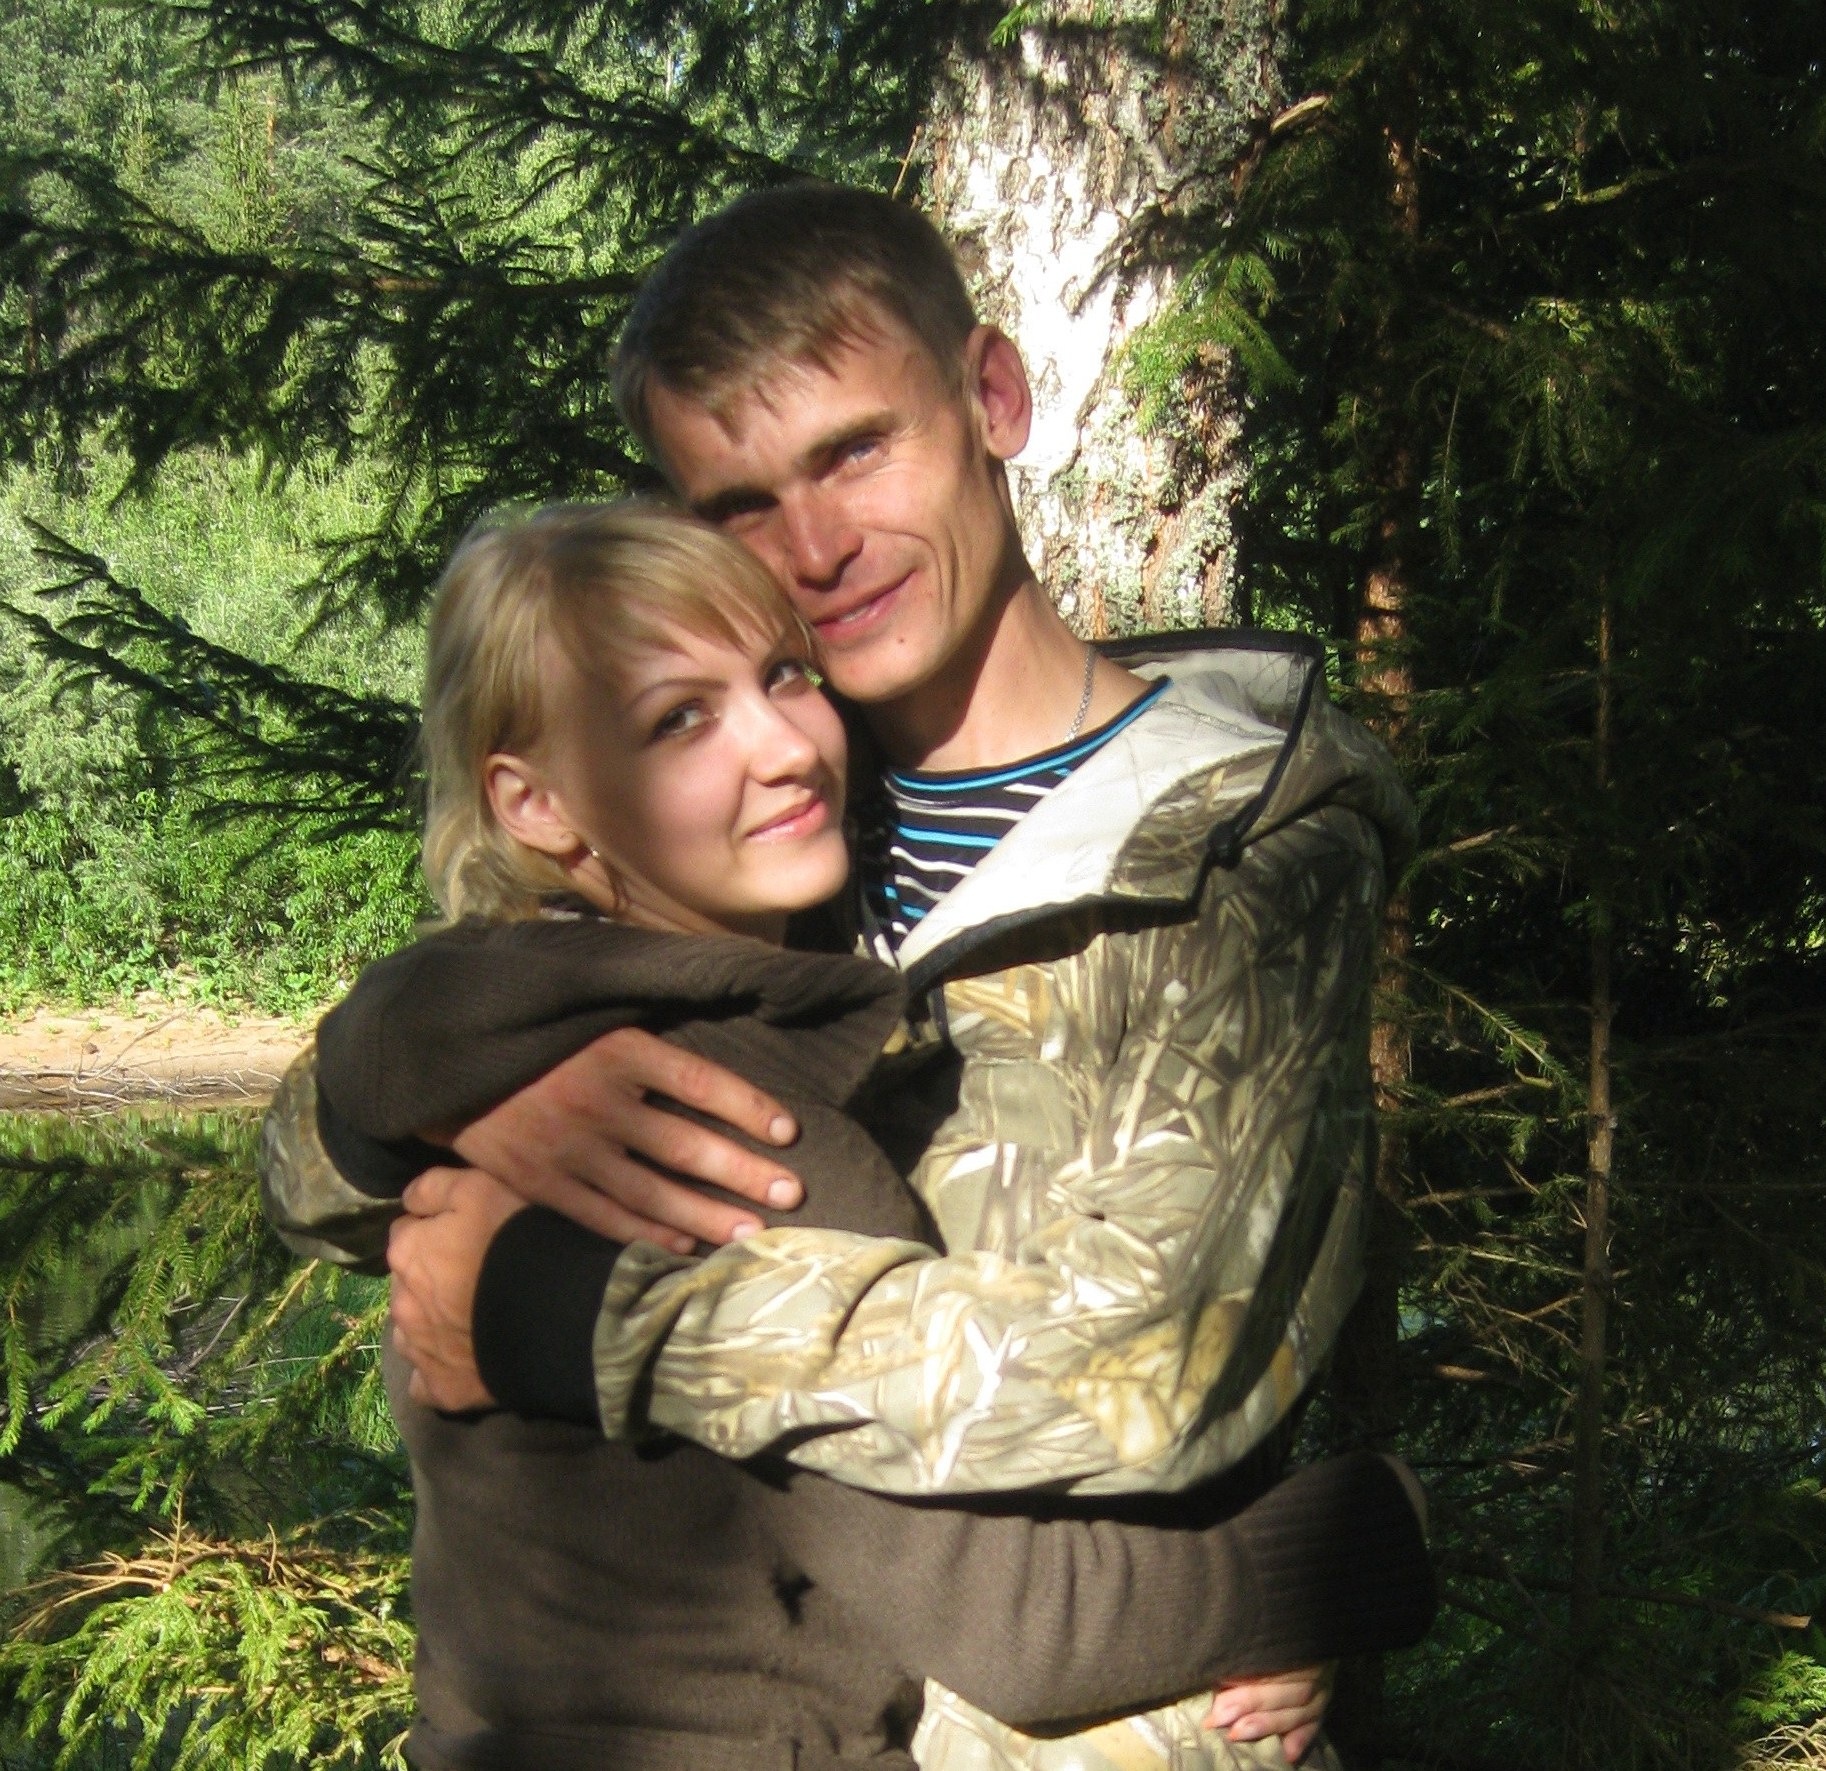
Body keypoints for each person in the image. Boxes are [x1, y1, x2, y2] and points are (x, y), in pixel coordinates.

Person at [262, 183, 1419, 1766]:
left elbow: (1143, 1379)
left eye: (855, 451)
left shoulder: (1239, 853)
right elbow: (326, 1191)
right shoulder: (742, 847)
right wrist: (414, 1090)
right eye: (740, 504)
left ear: (992, 398)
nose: (814, 548)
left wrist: (574, 1313)